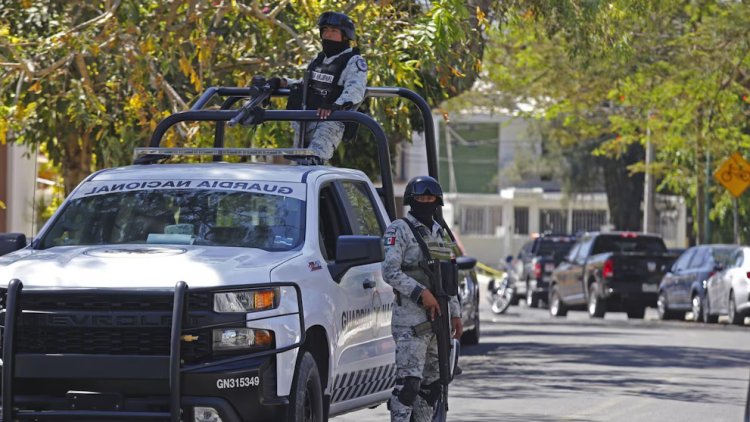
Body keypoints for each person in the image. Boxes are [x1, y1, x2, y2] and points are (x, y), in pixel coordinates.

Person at [382, 175, 463, 422]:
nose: (426, 202)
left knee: (433, 386)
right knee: (409, 385)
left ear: (437, 201)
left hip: (439, 321)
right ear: (411, 200)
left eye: (430, 198)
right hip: (411, 323)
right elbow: (390, 271)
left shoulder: (440, 233)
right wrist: (421, 294)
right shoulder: (400, 229)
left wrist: (456, 313)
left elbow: (447, 279)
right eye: (420, 198)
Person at [268, 11, 368, 162]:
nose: (327, 35)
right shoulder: (318, 60)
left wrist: (334, 106)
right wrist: (281, 82)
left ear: (345, 36)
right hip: (305, 121)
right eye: (325, 30)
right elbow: (305, 86)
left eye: (333, 31)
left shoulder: (353, 61)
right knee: (297, 168)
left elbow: (355, 91)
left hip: (329, 123)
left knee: (312, 163)